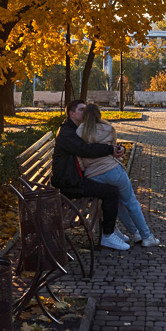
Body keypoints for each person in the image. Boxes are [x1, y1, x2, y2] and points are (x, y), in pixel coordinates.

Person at [77, 103, 161, 248]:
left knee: (118, 203)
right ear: (99, 114)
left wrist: (87, 170)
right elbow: (115, 151)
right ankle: (147, 236)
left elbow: (79, 157)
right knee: (130, 202)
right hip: (113, 171)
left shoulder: (79, 131)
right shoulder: (108, 129)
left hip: (93, 176)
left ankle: (135, 232)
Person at [51, 99, 130, 250]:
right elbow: (86, 150)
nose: (85, 112)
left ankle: (111, 229)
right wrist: (110, 150)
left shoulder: (78, 128)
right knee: (111, 192)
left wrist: (119, 148)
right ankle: (108, 235)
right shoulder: (67, 133)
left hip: (75, 177)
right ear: (71, 113)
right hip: (69, 183)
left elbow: (101, 139)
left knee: (110, 186)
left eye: (86, 109)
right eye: (81, 110)